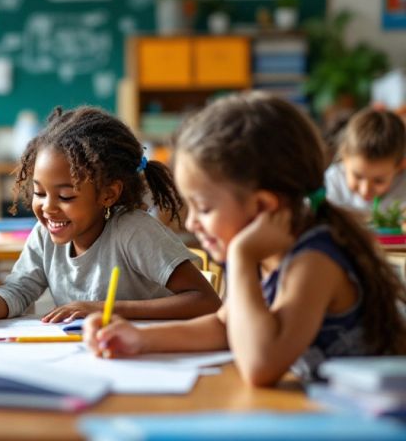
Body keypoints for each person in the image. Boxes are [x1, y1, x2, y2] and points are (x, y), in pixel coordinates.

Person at [84, 94, 406, 385]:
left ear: (263, 206)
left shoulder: (313, 261)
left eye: (205, 207)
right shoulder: (266, 253)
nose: (193, 222)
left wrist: (240, 256)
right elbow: (226, 328)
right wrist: (138, 339)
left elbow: (260, 366)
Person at [0, 106, 220, 326]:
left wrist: (105, 311)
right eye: (39, 193)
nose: (48, 208)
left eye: (65, 197)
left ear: (108, 194)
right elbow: (19, 290)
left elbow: (206, 301)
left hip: (152, 354)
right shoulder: (45, 234)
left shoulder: (133, 231)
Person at [324, 107, 406, 221]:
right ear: (343, 157)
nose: (365, 190)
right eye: (357, 176)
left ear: (400, 166)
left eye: (379, 181)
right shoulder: (333, 183)